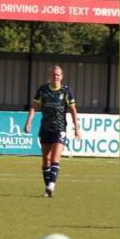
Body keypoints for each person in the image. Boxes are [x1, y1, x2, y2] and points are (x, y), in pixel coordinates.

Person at [24, 62, 81, 201]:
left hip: (60, 129)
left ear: (62, 77)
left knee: (55, 158)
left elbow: (73, 110)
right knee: (46, 159)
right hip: (45, 129)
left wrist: (76, 128)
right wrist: (29, 121)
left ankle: (51, 185)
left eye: (58, 75)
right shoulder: (43, 90)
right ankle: (48, 189)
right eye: (53, 74)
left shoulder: (66, 91)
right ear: (50, 76)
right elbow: (34, 107)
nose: (56, 77)